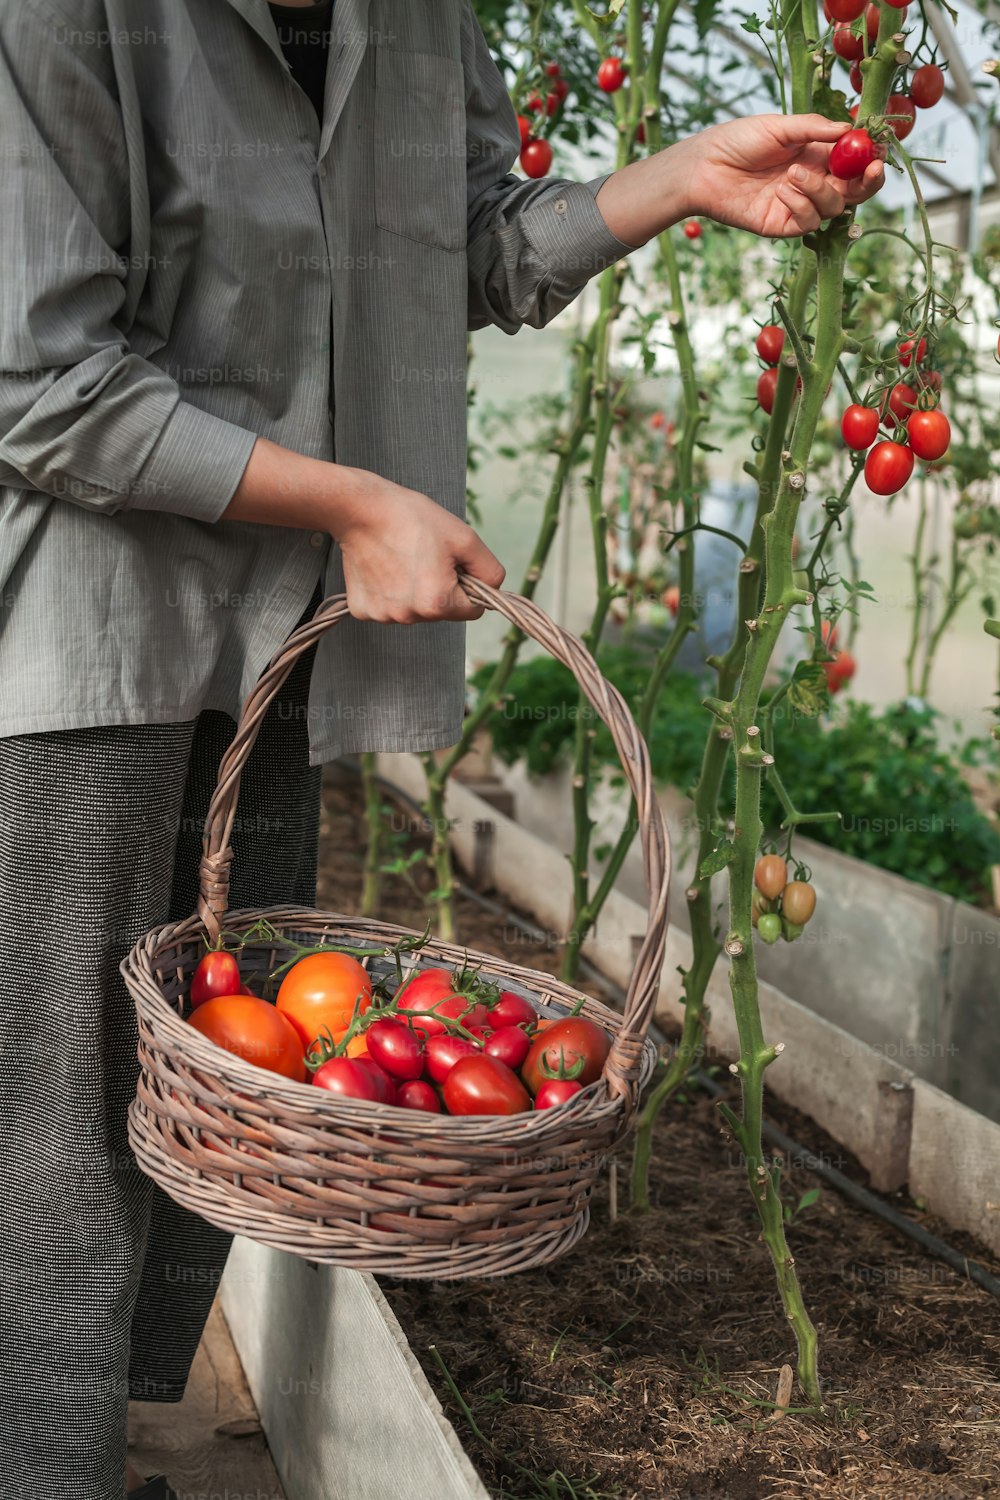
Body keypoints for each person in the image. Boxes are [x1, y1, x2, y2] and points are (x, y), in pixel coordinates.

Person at [0, 2, 884, 1497]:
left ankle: (77, 1445)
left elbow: (464, 238)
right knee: (52, 1123)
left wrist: (677, 177)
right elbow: (42, 382)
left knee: (216, 1085)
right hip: (98, 627)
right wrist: (355, 504)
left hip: (287, 628)